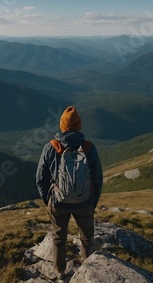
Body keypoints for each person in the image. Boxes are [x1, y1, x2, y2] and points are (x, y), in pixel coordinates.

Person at [36, 106, 103, 281]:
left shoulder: (51, 148)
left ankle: (60, 272)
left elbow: (40, 179)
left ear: (62, 126)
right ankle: (88, 270)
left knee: (59, 237)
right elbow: (97, 178)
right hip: (84, 202)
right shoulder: (89, 148)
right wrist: (91, 201)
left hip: (58, 202)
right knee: (87, 237)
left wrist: (49, 200)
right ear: (79, 126)